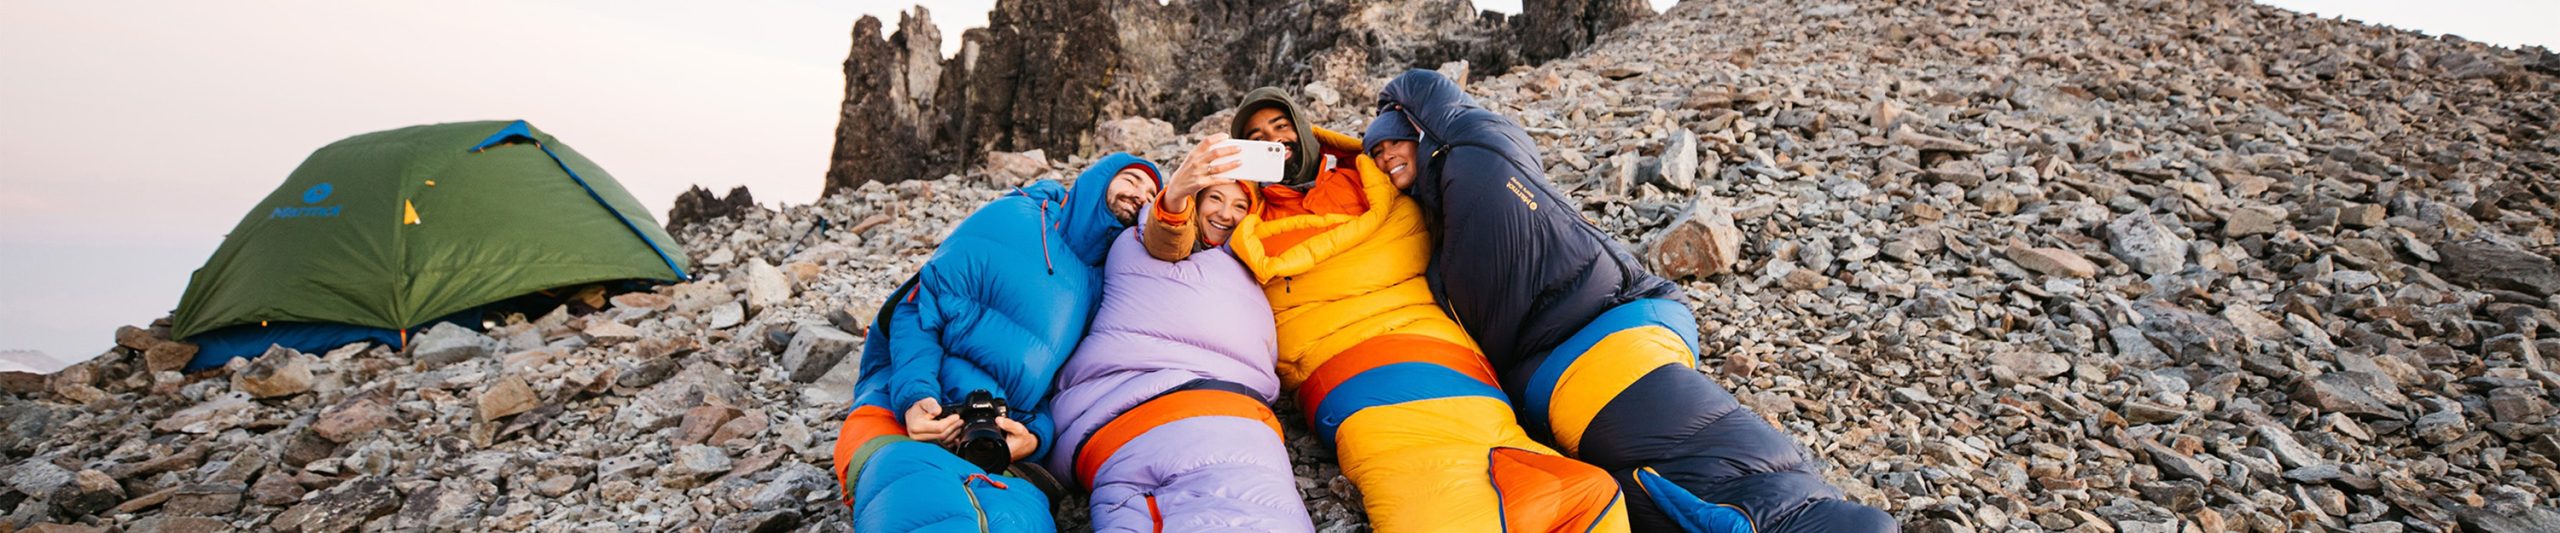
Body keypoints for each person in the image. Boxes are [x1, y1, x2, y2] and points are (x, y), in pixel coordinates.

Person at [1371, 68, 1898, 532]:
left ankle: (1800, 515)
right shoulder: (1434, 229)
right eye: (1374, 153)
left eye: (1392, 140)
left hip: (1607, 325)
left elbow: (1427, 88)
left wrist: (1391, 105)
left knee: (1719, 473)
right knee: (1650, 498)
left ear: (1420, 132)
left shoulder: (1479, 156)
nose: (1385, 155)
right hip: (1560, 378)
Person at [1167, 88, 1630, 532]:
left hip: (1431, 341)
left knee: (1551, 474)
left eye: (1280, 126)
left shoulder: (1370, 173)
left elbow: (1462, 172)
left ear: (1303, 130)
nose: (1274, 141)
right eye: (1258, 139)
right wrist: (1178, 193)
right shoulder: (1243, 208)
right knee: (1413, 475)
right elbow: (1172, 244)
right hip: (1339, 359)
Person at [830, 154, 1162, 531]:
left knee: (1019, 514)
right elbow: (919, 306)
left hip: (996, 441)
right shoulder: (1015, 218)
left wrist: (1034, 439)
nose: (1141, 195)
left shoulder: (1108, 286)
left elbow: (1064, 391)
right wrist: (913, 397)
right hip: (898, 418)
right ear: (1096, 181)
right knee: (915, 498)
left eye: (1152, 194)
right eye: (1132, 180)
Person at [1045, 177, 1314, 532]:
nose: (1225, 214)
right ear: (1193, 200)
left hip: (1120, 433)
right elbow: (1167, 231)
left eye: (1239, 206)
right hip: (1205, 415)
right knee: (1253, 511)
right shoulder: (1150, 238)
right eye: (1215, 198)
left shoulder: (1251, 266)